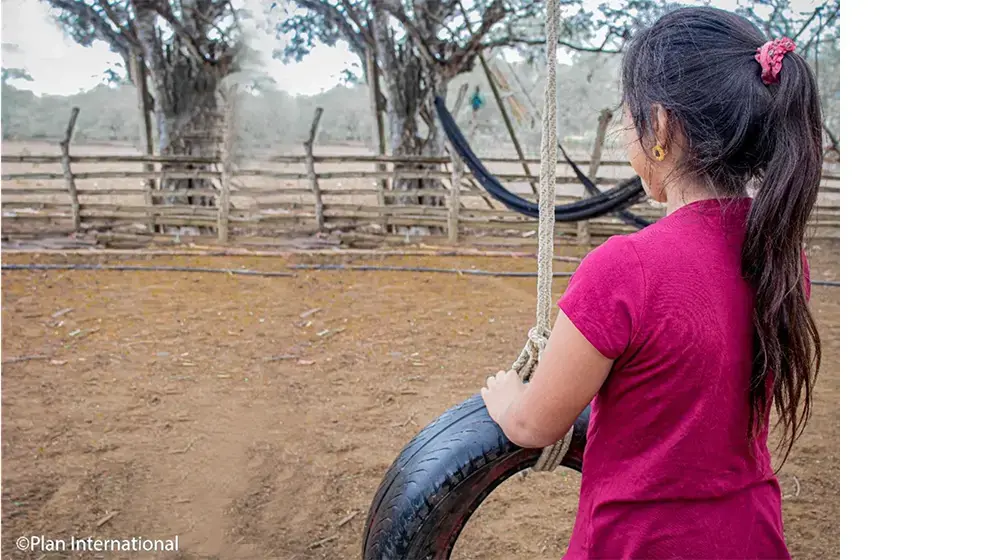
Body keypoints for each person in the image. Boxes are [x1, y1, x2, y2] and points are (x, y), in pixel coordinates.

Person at [480, 6, 823, 559]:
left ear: (658, 127)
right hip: (752, 535)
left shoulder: (624, 269)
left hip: (640, 545)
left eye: (628, 116)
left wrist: (505, 398)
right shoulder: (784, 259)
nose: (625, 131)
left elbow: (535, 423)